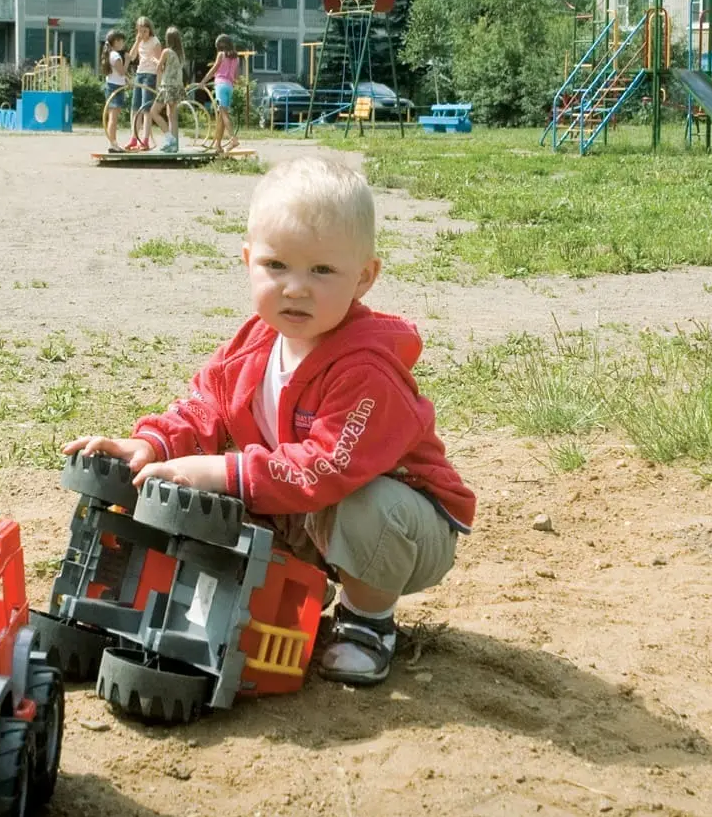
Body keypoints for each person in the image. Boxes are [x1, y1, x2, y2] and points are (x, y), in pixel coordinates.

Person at [63, 156, 477, 686]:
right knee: (207, 489)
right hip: (305, 512)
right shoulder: (254, 343)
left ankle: (366, 621)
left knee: (367, 505)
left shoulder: (366, 369)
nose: (296, 288)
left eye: (322, 270)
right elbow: (204, 405)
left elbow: (326, 469)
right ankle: (298, 588)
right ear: (248, 261)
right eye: (276, 266)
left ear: (364, 278)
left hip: (404, 525)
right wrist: (153, 443)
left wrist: (219, 470)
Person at [198, 34, 241, 156]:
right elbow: (237, 77)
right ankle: (218, 145)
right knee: (221, 117)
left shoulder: (221, 55)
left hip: (220, 86)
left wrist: (203, 82)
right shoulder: (236, 58)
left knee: (223, 114)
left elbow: (214, 70)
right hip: (229, 87)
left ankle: (233, 139)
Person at [127, 17, 163, 152]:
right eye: (140, 31)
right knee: (135, 108)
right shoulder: (140, 41)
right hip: (139, 74)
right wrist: (137, 41)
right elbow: (131, 57)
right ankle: (133, 138)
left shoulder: (155, 42)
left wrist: (159, 84)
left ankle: (145, 140)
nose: (143, 34)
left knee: (146, 109)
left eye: (145, 31)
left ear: (150, 30)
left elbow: (160, 64)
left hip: (150, 75)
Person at [153, 26, 186, 154]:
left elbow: (159, 68)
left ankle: (169, 139)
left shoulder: (166, 51)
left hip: (167, 87)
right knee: (172, 116)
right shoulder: (180, 54)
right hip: (177, 87)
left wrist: (154, 60)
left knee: (153, 112)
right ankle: (174, 145)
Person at [100, 29, 129, 153]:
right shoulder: (115, 56)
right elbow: (122, 72)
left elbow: (119, 75)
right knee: (113, 117)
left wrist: (127, 80)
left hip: (113, 85)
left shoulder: (110, 54)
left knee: (113, 116)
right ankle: (113, 144)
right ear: (116, 41)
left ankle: (113, 143)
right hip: (115, 88)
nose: (123, 43)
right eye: (121, 41)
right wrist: (127, 60)